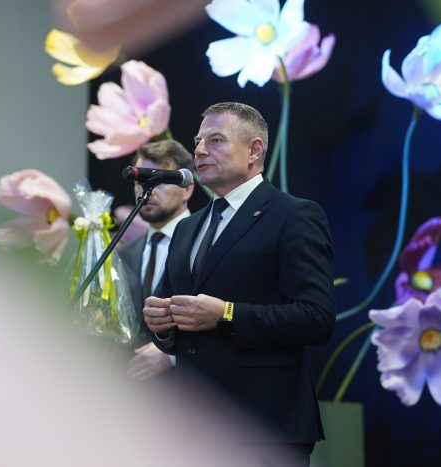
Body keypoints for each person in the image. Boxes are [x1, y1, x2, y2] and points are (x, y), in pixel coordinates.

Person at [143, 102, 336, 465]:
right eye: (198, 141)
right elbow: (178, 325)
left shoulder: (293, 215)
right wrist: (162, 325)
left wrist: (227, 314)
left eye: (215, 140)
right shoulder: (187, 227)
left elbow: (316, 318)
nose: (200, 150)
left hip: (262, 426)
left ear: (254, 150)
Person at [117, 139, 194, 381]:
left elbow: (225, 317)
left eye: (159, 181)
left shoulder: (207, 241)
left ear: (187, 189)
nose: (148, 190)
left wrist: (172, 355)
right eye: (141, 181)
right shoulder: (124, 253)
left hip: (190, 390)